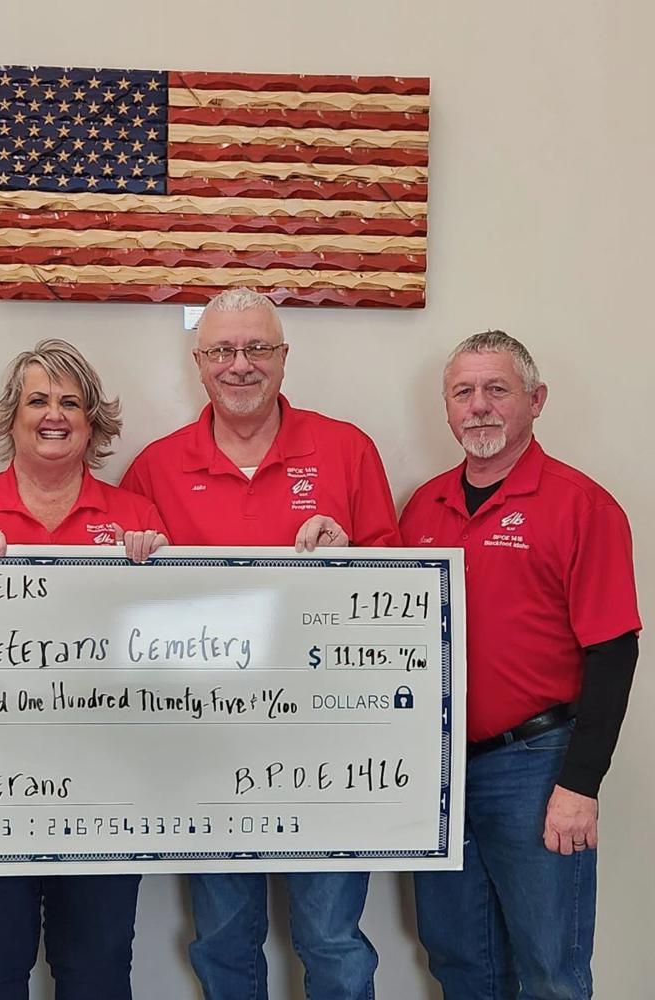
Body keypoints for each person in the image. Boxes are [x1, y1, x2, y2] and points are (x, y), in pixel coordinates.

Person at [120, 288, 399, 1000]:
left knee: (333, 942)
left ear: (282, 358)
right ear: (198, 362)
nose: (239, 365)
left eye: (257, 349)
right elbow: (123, 612)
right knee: (221, 939)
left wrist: (352, 561)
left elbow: (402, 605)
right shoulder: (155, 467)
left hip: (326, 743)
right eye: (222, 350)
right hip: (205, 747)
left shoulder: (346, 449)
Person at [0, 338, 166, 1000]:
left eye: (69, 401)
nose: (52, 414)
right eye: (36, 400)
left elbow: (168, 661)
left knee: (96, 972)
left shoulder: (134, 518)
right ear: (11, 417)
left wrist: (158, 576)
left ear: (91, 421)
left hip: (106, 789)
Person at [400, 331, 641, 1000]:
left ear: (535, 401)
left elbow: (613, 650)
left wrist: (579, 786)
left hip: (536, 768)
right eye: (462, 392)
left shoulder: (580, 506)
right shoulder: (423, 507)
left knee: (549, 971)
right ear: (446, 408)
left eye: (496, 390)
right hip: (439, 773)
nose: (478, 406)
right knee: (459, 960)